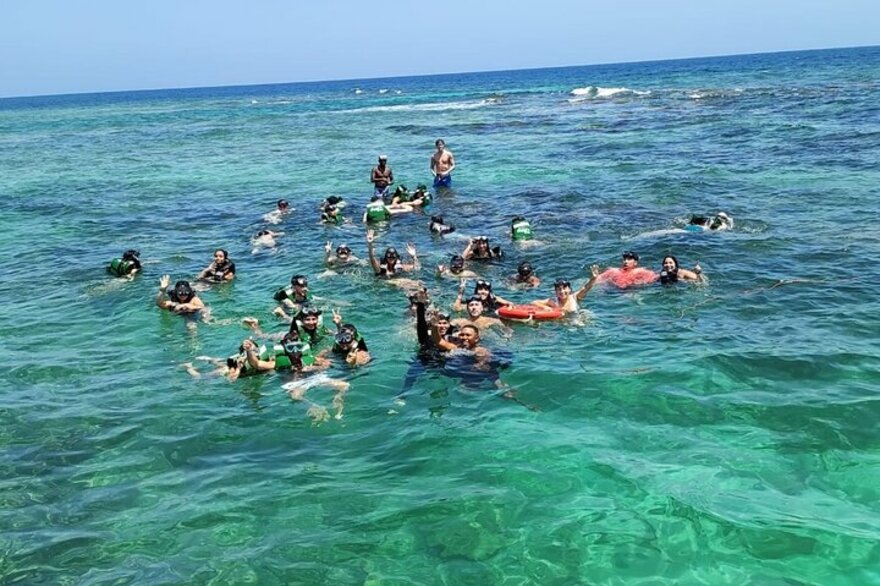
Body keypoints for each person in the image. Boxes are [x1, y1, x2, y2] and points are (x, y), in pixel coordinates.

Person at [242, 335, 350, 423]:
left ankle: (338, 398)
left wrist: (313, 367)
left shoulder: (308, 358)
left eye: (298, 347)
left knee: (344, 385)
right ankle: (313, 406)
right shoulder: (277, 362)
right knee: (295, 396)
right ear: (285, 349)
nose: (295, 351)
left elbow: (326, 364)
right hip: (295, 383)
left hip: (312, 377)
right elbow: (256, 364)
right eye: (290, 348)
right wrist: (249, 351)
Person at [532, 268, 599, 314]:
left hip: (576, 320)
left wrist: (593, 279)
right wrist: (545, 307)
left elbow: (585, 288)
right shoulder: (553, 301)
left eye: (564, 288)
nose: (562, 291)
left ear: (569, 289)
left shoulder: (575, 297)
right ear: (555, 292)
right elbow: (534, 302)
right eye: (559, 289)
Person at [594, 251, 658, 289]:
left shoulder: (640, 271)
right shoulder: (613, 271)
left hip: (632, 291)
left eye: (629, 259)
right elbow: (598, 280)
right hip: (614, 292)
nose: (626, 261)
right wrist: (595, 276)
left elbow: (655, 278)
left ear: (635, 262)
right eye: (624, 259)